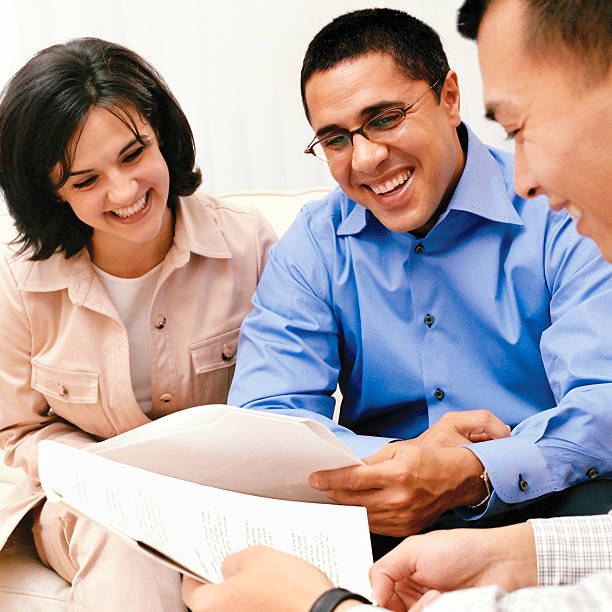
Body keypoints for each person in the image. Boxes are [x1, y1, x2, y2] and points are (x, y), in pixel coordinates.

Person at [182, 1, 612, 610]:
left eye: (383, 118)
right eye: (334, 138)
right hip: (380, 521)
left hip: (545, 504)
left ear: (450, 98)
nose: (364, 159)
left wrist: (476, 468)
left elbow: (604, 400)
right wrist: (398, 465)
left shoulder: (565, 203)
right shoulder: (314, 242)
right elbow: (266, 421)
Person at [0, 38, 275, 611]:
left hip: (229, 493)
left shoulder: (248, 243)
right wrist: (108, 473)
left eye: (133, 155)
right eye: (84, 181)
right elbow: (14, 434)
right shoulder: (18, 284)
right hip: (87, 507)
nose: (124, 192)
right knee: (121, 535)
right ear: (51, 194)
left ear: (162, 136)